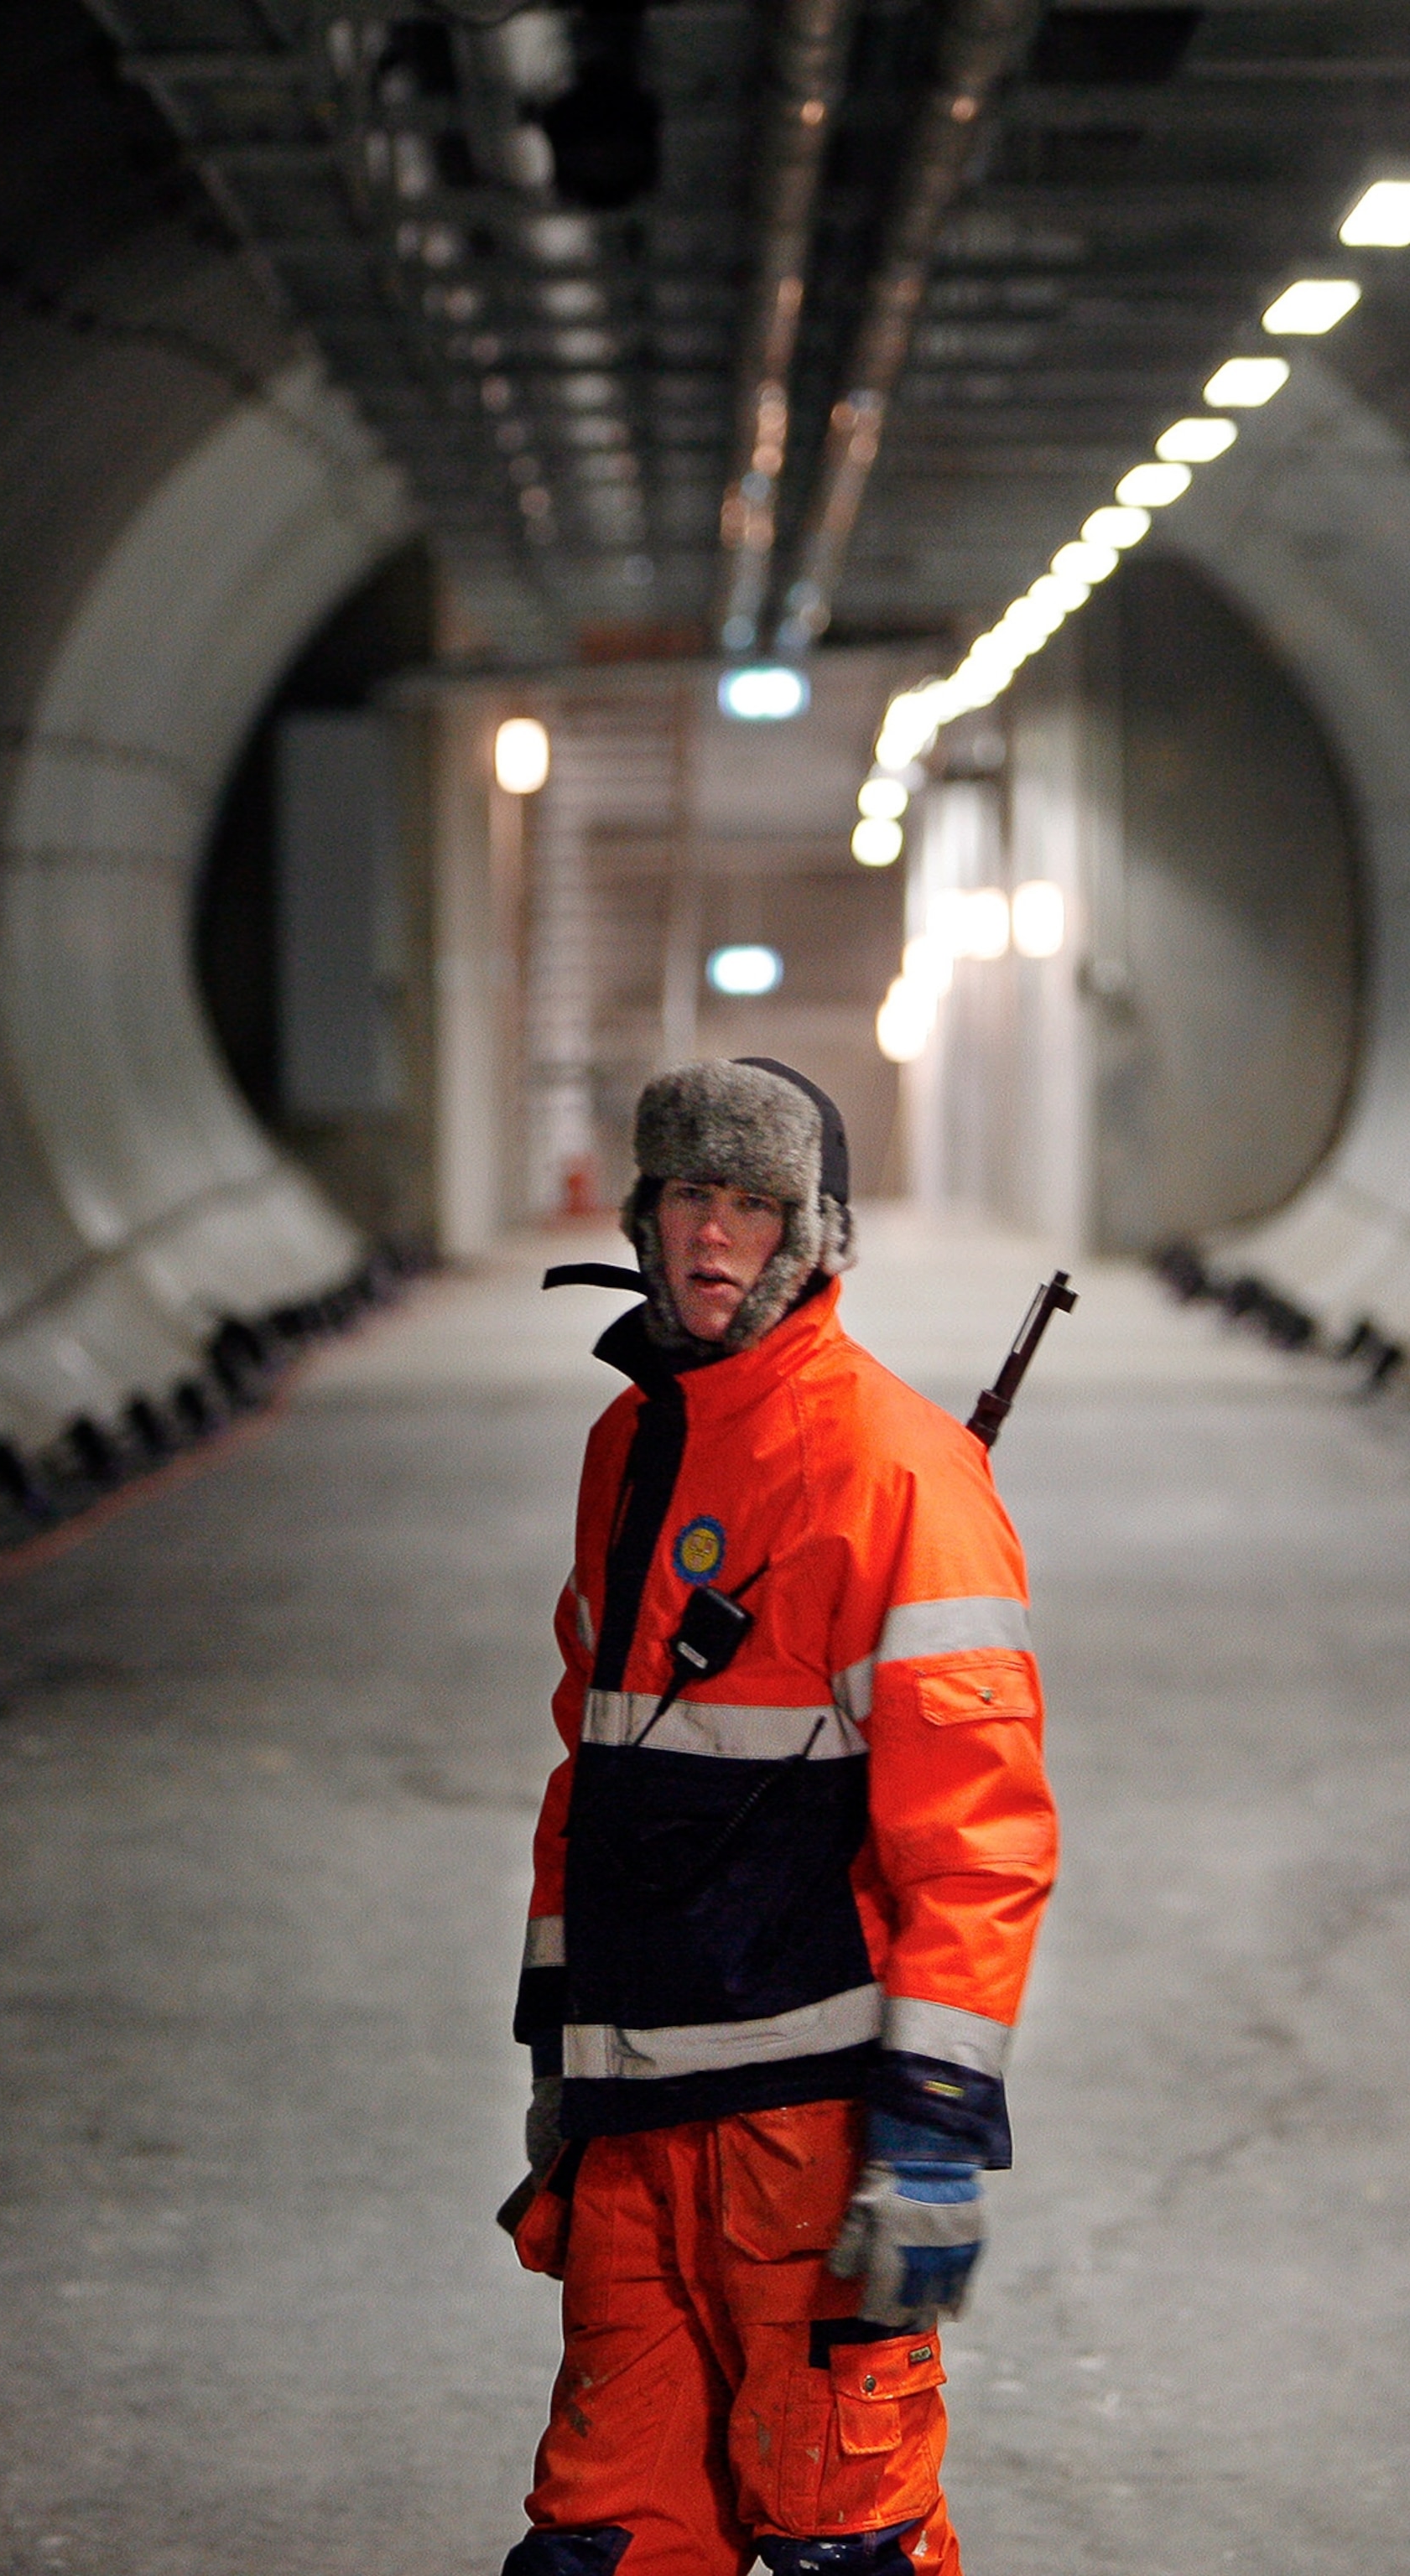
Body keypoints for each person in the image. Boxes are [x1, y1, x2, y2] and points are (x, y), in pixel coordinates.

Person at [500, 1056, 1059, 2576]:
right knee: (603, 2545)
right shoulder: (632, 1448)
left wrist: (933, 2133)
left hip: (803, 2136)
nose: (713, 1238)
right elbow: (593, 1768)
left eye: (754, 1204)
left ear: (812, 1234)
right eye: (690, 1195)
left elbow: (979, 1839)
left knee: (841, 2547)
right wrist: (562, 2048)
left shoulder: (900, 1472)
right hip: (635, 2133)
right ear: (645, 1210)